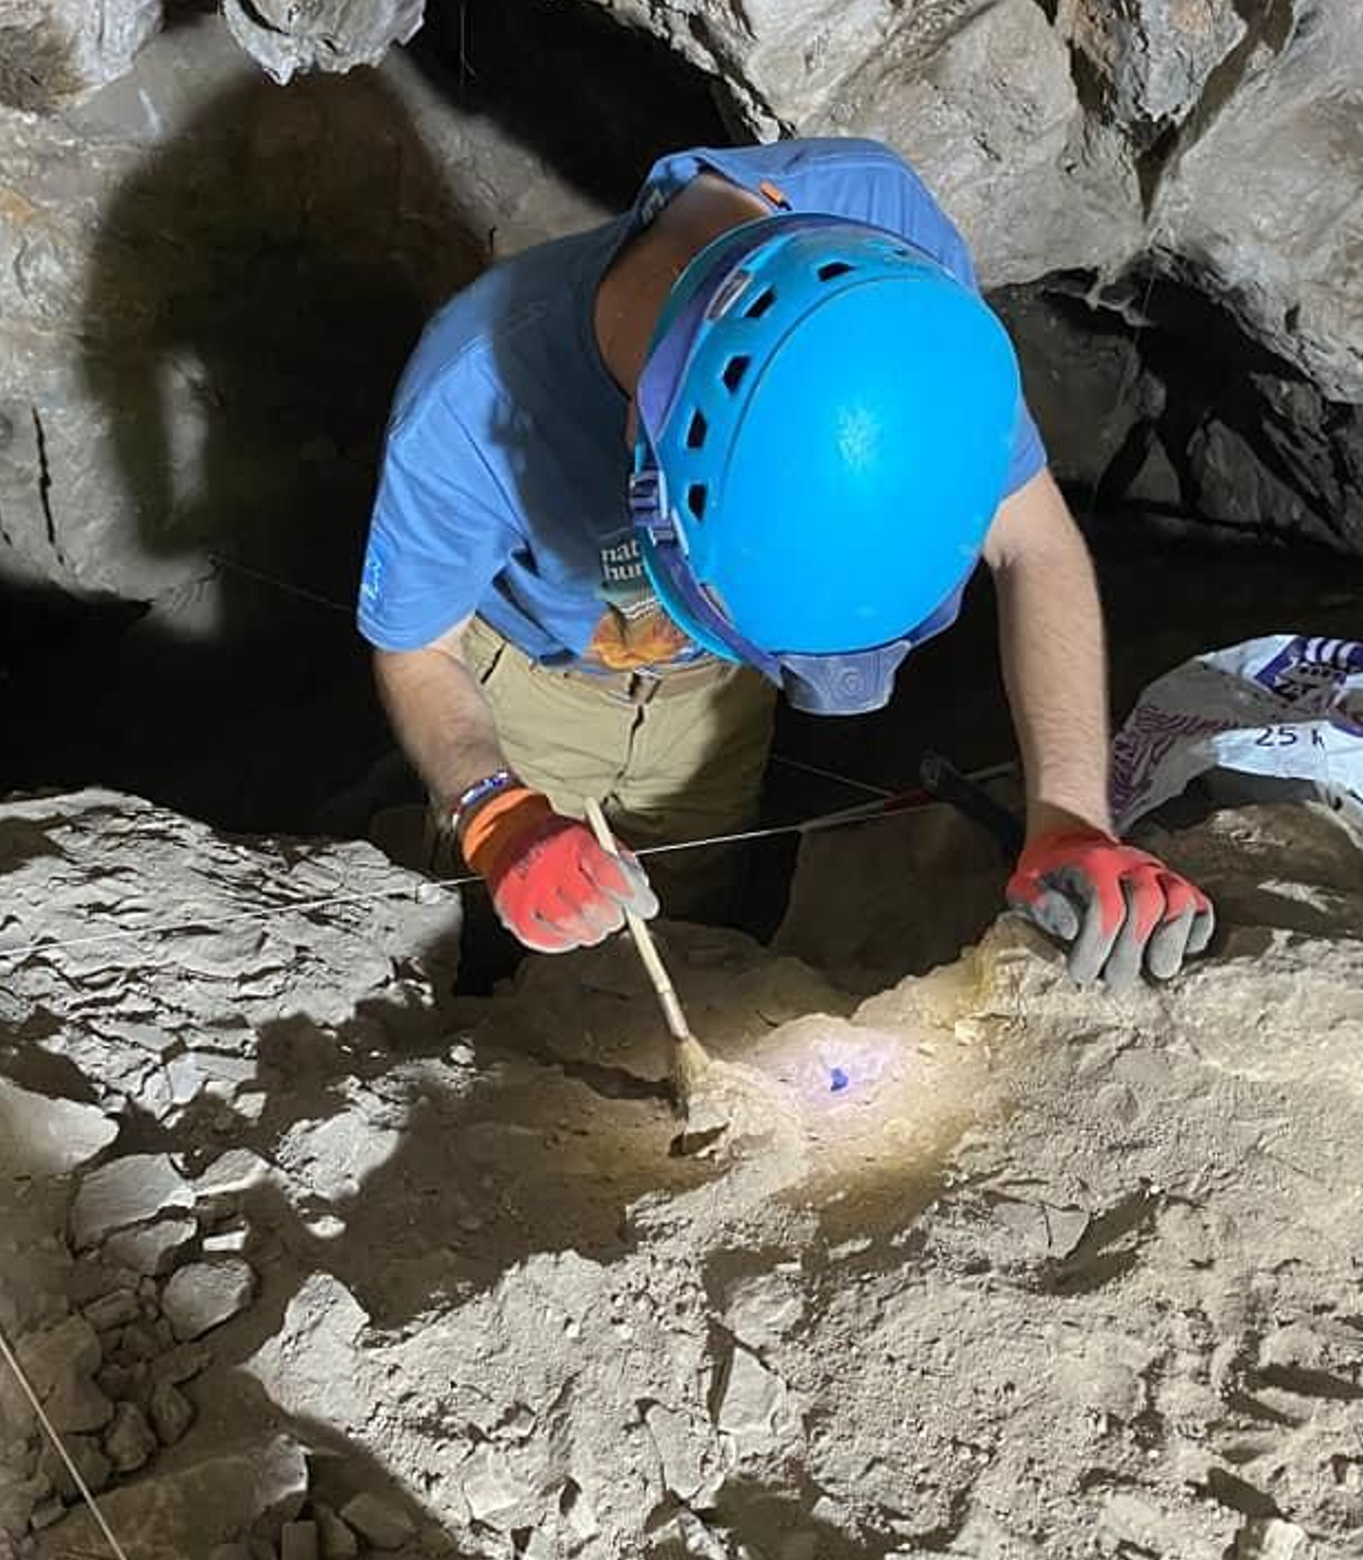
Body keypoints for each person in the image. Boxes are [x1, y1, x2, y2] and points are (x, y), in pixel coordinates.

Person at [357, 139, 1213, 988]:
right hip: (540, 688)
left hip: (716, 704)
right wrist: (493, 809)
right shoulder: (466, 405)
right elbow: (417, 649)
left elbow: (1035, 542)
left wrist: (1070, 818)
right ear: (640, 453)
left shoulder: (890, 258)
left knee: (683, 915)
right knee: (503, 929)